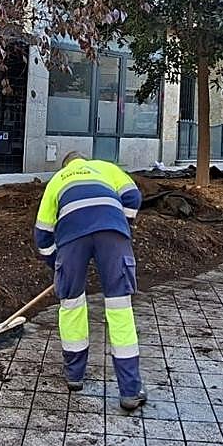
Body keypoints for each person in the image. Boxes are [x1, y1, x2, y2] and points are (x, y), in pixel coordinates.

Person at [33, 151, 146, 411]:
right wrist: (123, 225)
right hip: (112, 232)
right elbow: (133, 196)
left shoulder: (57, 179)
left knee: (71, 305)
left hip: (72, 238)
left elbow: (42, 234)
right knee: (120, 309)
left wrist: (58, 265)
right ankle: (130, 392)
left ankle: (74, 376)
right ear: (84, 160)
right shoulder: (105, 167)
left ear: (66, 165)